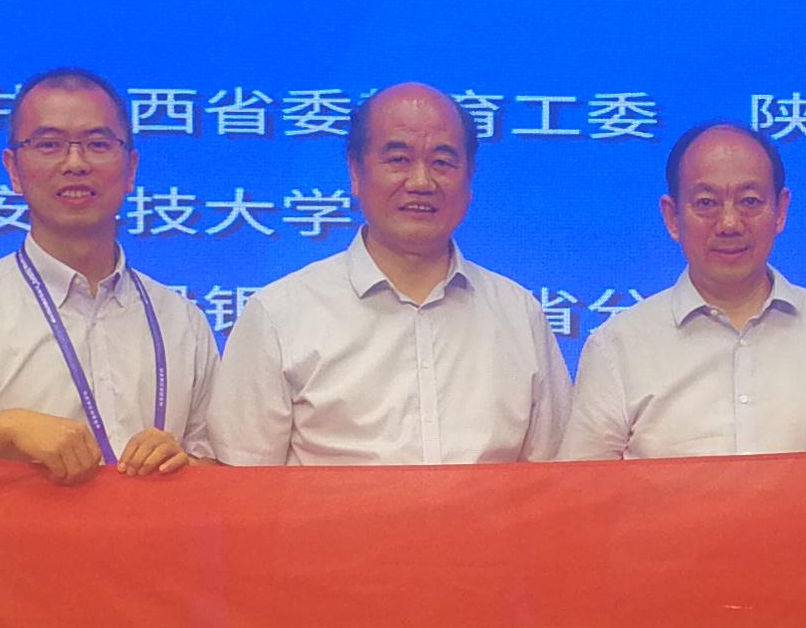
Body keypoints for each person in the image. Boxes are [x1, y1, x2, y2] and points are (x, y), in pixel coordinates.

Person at [203, 82, 569, 465]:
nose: (421, 182)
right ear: (355, 173)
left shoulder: (518, 315)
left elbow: (557, 479)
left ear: (469, 177)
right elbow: (243, 484)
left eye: (442, 162)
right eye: (398, 159)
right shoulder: (280, 314)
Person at [0, 67, 221, 482]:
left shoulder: (183, 322)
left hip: (154, 528)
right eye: (49, 145)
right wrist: (3, 430)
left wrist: (183, 465)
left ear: (131, 168)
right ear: (13, 169)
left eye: (98, 144)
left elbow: (221, 470)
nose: (75, 163)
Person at [562, 122, 806, 459]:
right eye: (706, 203)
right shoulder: (618, 347)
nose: (729, 223)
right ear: (672, 217)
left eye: (750, 201)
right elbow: (583, 488)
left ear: (781, 210)